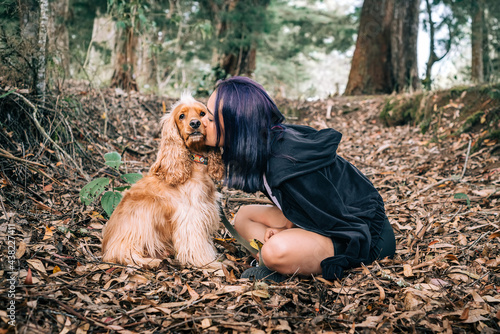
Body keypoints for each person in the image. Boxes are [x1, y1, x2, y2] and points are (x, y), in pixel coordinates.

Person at [201, 76, 396, 281]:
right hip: (322, 217)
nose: (203, 122)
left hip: (365, 235)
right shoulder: (263, 146)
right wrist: (288, 226)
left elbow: (334, 216)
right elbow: (305, 204)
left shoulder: (284, 163)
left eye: (211, 119)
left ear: (237, 126)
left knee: (275, 250)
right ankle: (280, 262)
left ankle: (280, 264)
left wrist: (288, 231)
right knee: (243, 216)